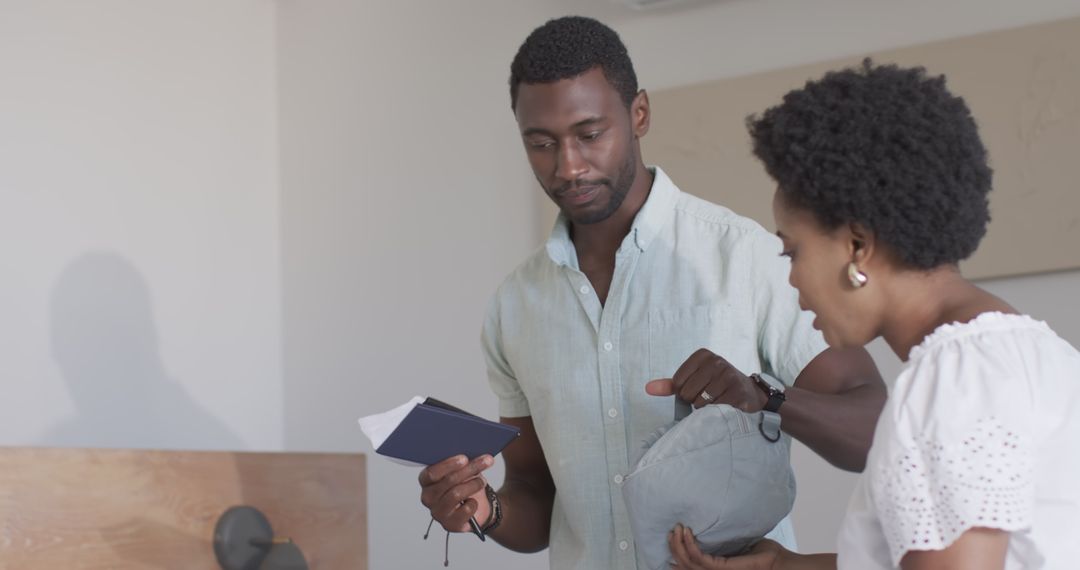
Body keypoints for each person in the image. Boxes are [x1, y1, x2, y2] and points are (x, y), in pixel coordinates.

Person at [417, 17, 886, 569]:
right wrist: (483, 507)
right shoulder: (514, 307)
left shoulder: (744, 258)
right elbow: (538, 496)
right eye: (541, 143)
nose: (567, 166)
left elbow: (876, 428)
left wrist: (767, 397)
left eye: (590, 134)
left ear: (639, 114)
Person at [665, 60, 1080, 569]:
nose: (791, 279)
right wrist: (783, 566)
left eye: (792, 252)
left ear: (857, 246)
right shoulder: (1033, 352)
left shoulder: (954, 377)